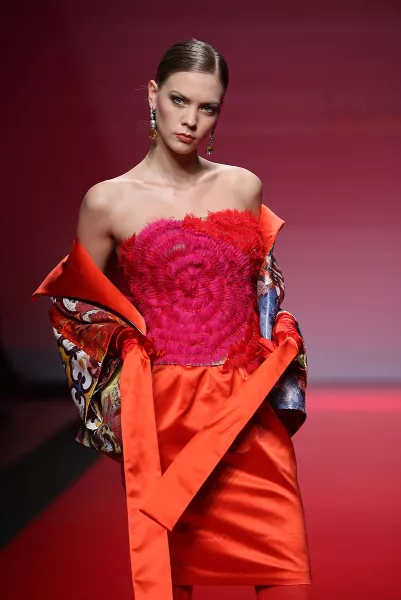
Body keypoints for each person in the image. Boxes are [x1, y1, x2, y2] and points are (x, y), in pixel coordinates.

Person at [33, 39, 312, 600]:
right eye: (179, 100)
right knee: (169, 580)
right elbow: (77, 312)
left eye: (208, 108)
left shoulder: (243, 186)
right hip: (163, 418)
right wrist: (124, 367)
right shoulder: (107, 202)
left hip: (245, 412)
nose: (190, 120)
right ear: (153, 94)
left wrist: (278, 333)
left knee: (287, 574)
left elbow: (261, 291)